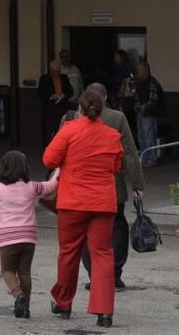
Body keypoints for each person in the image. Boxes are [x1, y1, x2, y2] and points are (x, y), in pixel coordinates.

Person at [44, 90, 124, 329]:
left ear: (79, 108)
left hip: (72, 202)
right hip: (102, 203)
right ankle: (104, 312)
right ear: (103, 109)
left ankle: (64, 303)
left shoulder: (69, 129)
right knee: (102, 254)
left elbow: (48, 160)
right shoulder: (112, 135)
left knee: (69, 252)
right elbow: (116, 167)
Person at [60, 83, 145, 289]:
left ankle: (93, 275)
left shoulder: (69, 119)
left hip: (76, 189)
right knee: (116, 227)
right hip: (110, 188)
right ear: (105, 99)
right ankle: (113, 274)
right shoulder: (117, 118)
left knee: (84, 234)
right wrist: (137, 183)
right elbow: (130, 154)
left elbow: (58, 152)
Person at [0, 151, 60, 319]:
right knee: (24, 272)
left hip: (8, 237)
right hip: (28, 237)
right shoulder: (31, 187)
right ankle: (26, 308)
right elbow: (51, 186)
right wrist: (59, 169)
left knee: (7, 270)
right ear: (25, 168)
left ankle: (18, 295)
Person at [134, 62, 164, 167]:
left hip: (149, 114)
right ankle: (144, 158)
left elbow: (153, 100)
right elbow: (137, 96)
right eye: (138, 70)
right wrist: (137, 106)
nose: (138, 73)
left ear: (146, 70)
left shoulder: (152, 83)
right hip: (140, 113)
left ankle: (151, 159)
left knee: (149, 136)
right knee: (141, 136)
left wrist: (144, 107)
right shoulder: (140, 83)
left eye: (140, 70)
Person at [37, 59, 73, 146]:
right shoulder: (44, 79)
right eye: (55, 71)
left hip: (62, 108)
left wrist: (64, 95)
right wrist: (51, 96)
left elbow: (70, 90)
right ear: (50, 70)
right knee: (49, 130)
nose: (57, 74)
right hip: (49, 109)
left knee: (62, 129)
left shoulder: (64, 77)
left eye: (58, 71)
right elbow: (40, 94)